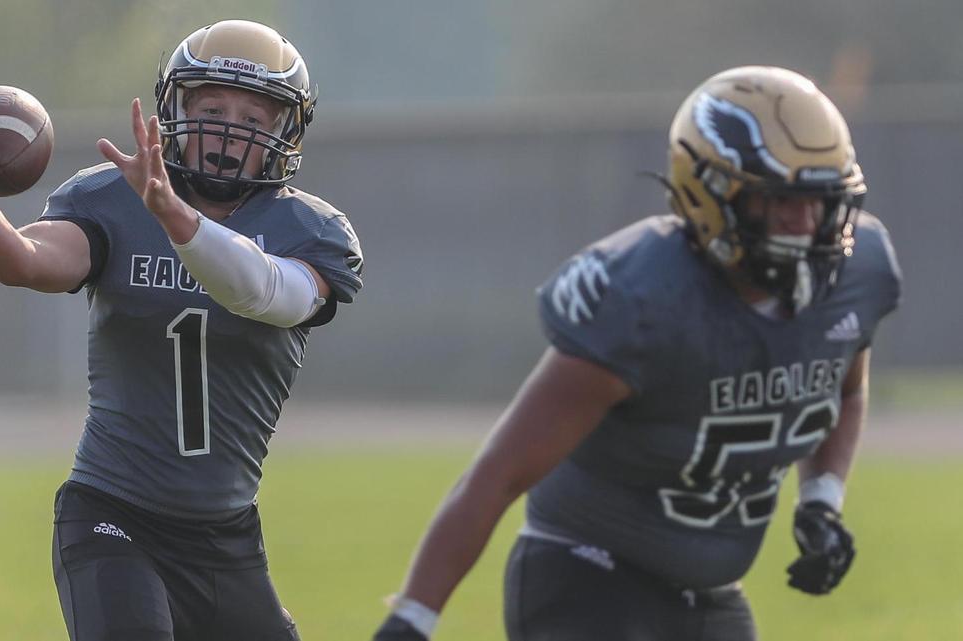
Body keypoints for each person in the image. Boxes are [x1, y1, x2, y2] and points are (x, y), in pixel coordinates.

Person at [372, 65, 901, 641]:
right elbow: (498, 474)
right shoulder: (643, 298)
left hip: (712, 598)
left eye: (819, 202)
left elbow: (842, 387)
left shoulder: (857, 272)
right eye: (778, 203)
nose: (803, 226)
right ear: (710, 195)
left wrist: (821, 501)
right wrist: (412, 619)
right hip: (588, 579)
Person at [0, 19, 363, 641]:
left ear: (284, 132)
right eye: (212, 107)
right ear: (175, 109)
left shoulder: (310, 231)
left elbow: (264, 292)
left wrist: (176, 218)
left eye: (255, 117)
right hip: (113, 514)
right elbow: (26, 262)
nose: (230, 131)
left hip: (224, 536)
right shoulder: (113, 200)